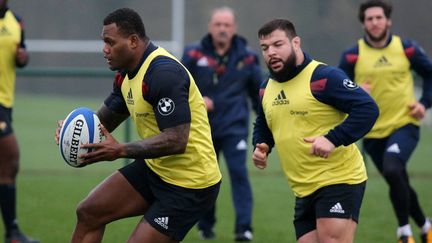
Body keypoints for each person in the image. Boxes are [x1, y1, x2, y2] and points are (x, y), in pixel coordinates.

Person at [54, 8, 221, 243]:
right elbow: (102, 122)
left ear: (133, 41)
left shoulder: (163, 73)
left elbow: (176, 139)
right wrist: (73, 131)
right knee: (88, 212)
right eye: (104, 42)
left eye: (110, 42)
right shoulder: (126, 75)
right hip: (155, 169)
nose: (104, 49)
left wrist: (121, 150)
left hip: (190, 184)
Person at [252, 19, 379, 243]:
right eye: (265, 48)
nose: (271, 52)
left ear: (296, 42)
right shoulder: (266, 88)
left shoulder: (323, 77)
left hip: (339, 179)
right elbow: (264, 121)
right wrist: (262, 144)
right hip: (303, 188)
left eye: (278, 44)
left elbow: (368, 108)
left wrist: (332, 139)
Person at [338, 1, 432, 242]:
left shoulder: (407, 49)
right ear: (363, 23)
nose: (375, 22)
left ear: (388, 20)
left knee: (392, 168)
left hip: (405, 124)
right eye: (369, 19)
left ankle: (404, 232)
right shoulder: (352, 55)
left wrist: (424, 104)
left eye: (379, 17)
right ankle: (425, 227)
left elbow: (430, 75)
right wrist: (357, 91)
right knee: (397, 177)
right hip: (371, 133)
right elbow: (337, 93)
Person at [181, 6, 261, 241]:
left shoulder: (247, 56)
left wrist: (267, 128)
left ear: (234, 28)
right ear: (210, 27)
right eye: (218, 24)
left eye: (227, 25)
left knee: (239, 174)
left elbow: (257, 94)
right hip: (202, 129)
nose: (222, 29)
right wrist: (197, 99)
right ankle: (206, 226)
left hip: (235, 127)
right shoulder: (193, 54)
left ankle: (244, 229)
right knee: (206, 178)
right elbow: (177, 86)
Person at [0, 1, 38, 243]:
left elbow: (21, 56)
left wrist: (23, 57)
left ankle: (12, 232)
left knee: (7, 167)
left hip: (6, 102)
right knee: (11, 155)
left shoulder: (17, 21)